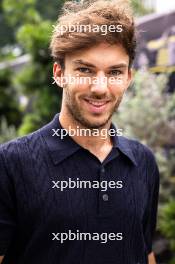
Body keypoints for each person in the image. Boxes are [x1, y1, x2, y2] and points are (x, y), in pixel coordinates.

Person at [0, 0, 159, 263]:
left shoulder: (143, 161)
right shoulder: (9, 164)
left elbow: (145, 252)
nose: (100, 87)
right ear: (59, 73)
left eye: (114, 72)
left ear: (128, 78)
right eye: (85, 69)